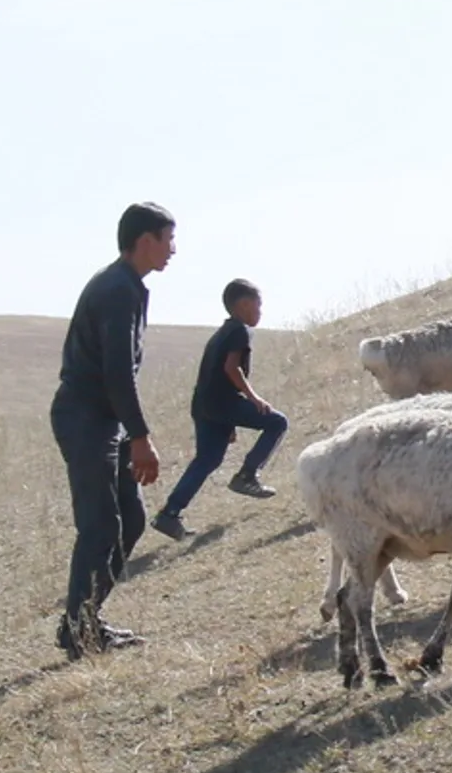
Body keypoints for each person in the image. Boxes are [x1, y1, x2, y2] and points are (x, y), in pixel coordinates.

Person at [54, 201, 173, 656]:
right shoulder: (118, 289)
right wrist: (140, 436)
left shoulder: (128, 284)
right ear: (145, 241)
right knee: (100, 525)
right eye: (168, 239)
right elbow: (116, 373)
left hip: (104, 419)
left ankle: (83, 623)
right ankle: (79, 629)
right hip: (86, 418)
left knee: (132, 518)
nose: (173, 250)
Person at [155, 278, 286, 536]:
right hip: (221, 403)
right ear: (245, 304)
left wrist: (228, 421)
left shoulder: (221, 332)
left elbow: (212, 375)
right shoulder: (239, 330)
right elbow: (231, 368)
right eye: (259, 306)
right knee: (278, 422)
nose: (260, 312)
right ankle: (248, 475)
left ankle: (169, 514)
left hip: (205, 404)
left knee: (207, 459)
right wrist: (253, 398)